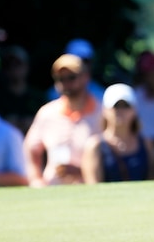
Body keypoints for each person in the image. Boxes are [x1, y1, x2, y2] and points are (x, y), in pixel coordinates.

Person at [24, 54, 102, 187]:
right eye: (60, 79)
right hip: (52, 190)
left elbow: (112, 154)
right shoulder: (47, 113)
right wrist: (35, 179)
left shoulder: (101, 112)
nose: (66, 83)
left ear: (86, 77)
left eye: (71, 77)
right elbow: (31, 149)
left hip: (88, 190)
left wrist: (82, 171)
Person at [81, 83, 154, 183]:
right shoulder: (95, 146)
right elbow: (93, 186)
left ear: (134, 110)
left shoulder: (146, 144)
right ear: (105, 110)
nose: (120, 111)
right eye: (115, 106)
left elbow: (151, 181)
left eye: (125, 106)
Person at [0, 45, 47, 135]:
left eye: (18, 64)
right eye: (9, 65)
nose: (13, 68)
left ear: (27, 66)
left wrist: (33, 122)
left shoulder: (38, 97)